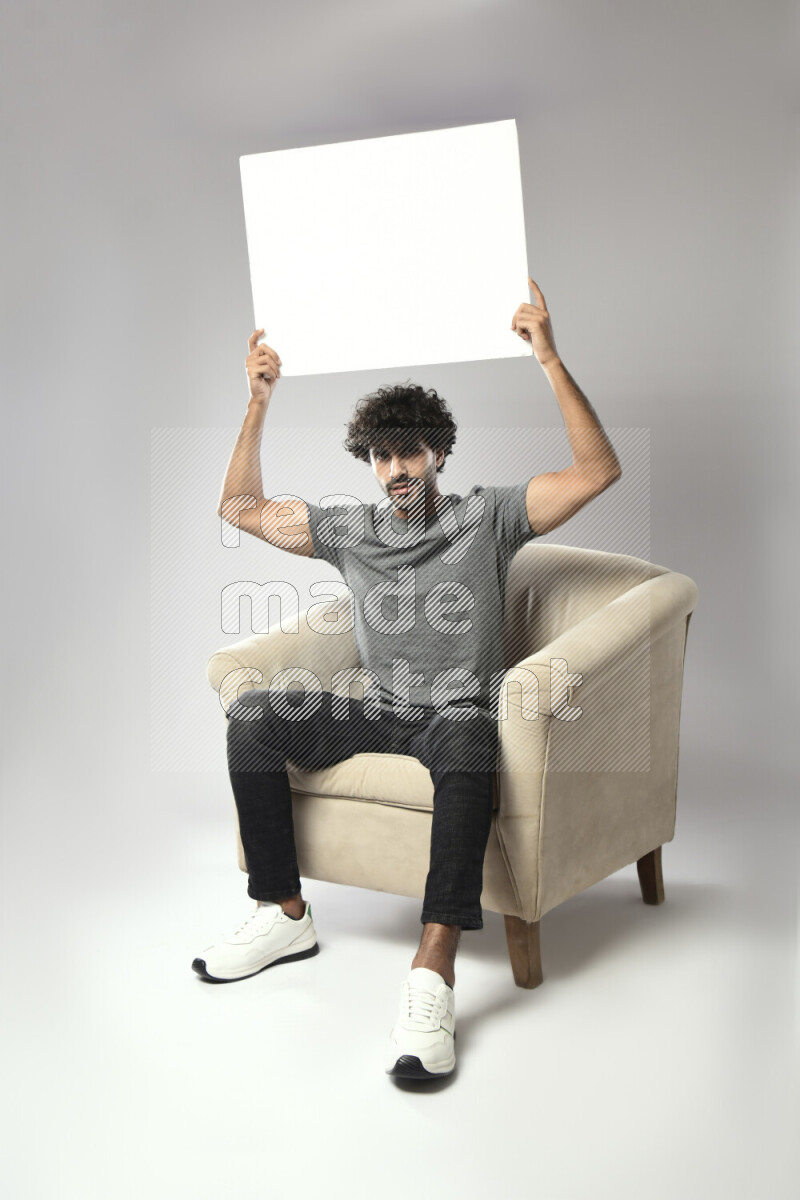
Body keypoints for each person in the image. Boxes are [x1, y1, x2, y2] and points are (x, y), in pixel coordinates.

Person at [193, 276, 622, 1080]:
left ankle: (433, 973)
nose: (396, 468)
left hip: (455, 714)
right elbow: (238, 506)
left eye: (410, 452)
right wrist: (257, 403)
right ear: (371, 460)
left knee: (468, 736)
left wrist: (550, 360)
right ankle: (282, 912)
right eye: (382, 455)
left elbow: (598, 471)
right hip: (377, 709)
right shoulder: (347, 529)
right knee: (252, 717)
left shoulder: (487, 516)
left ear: (438, 453)